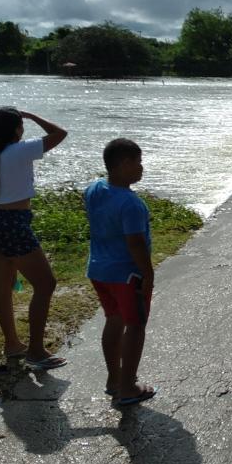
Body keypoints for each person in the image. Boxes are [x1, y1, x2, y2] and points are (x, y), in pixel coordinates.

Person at [0, 107, 68, 369]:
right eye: (21, 125)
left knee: (3, 285)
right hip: (13, 224)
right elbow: (60, 133)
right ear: (17, 129)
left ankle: (12, 345)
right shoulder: (21, 149)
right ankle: (36, 352)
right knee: (46, 284)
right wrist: (33, 116)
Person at [84, 138, 156, 406]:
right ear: (125, 164)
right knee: (135, 326)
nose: (141, 168)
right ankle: (128, 387)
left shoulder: (94, 189)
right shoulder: (131, 204)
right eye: (138, 162)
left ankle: (114, 379)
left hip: (99, 269)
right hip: (127, 275)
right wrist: (148, 274)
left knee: (113, 320)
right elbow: (135, 243)